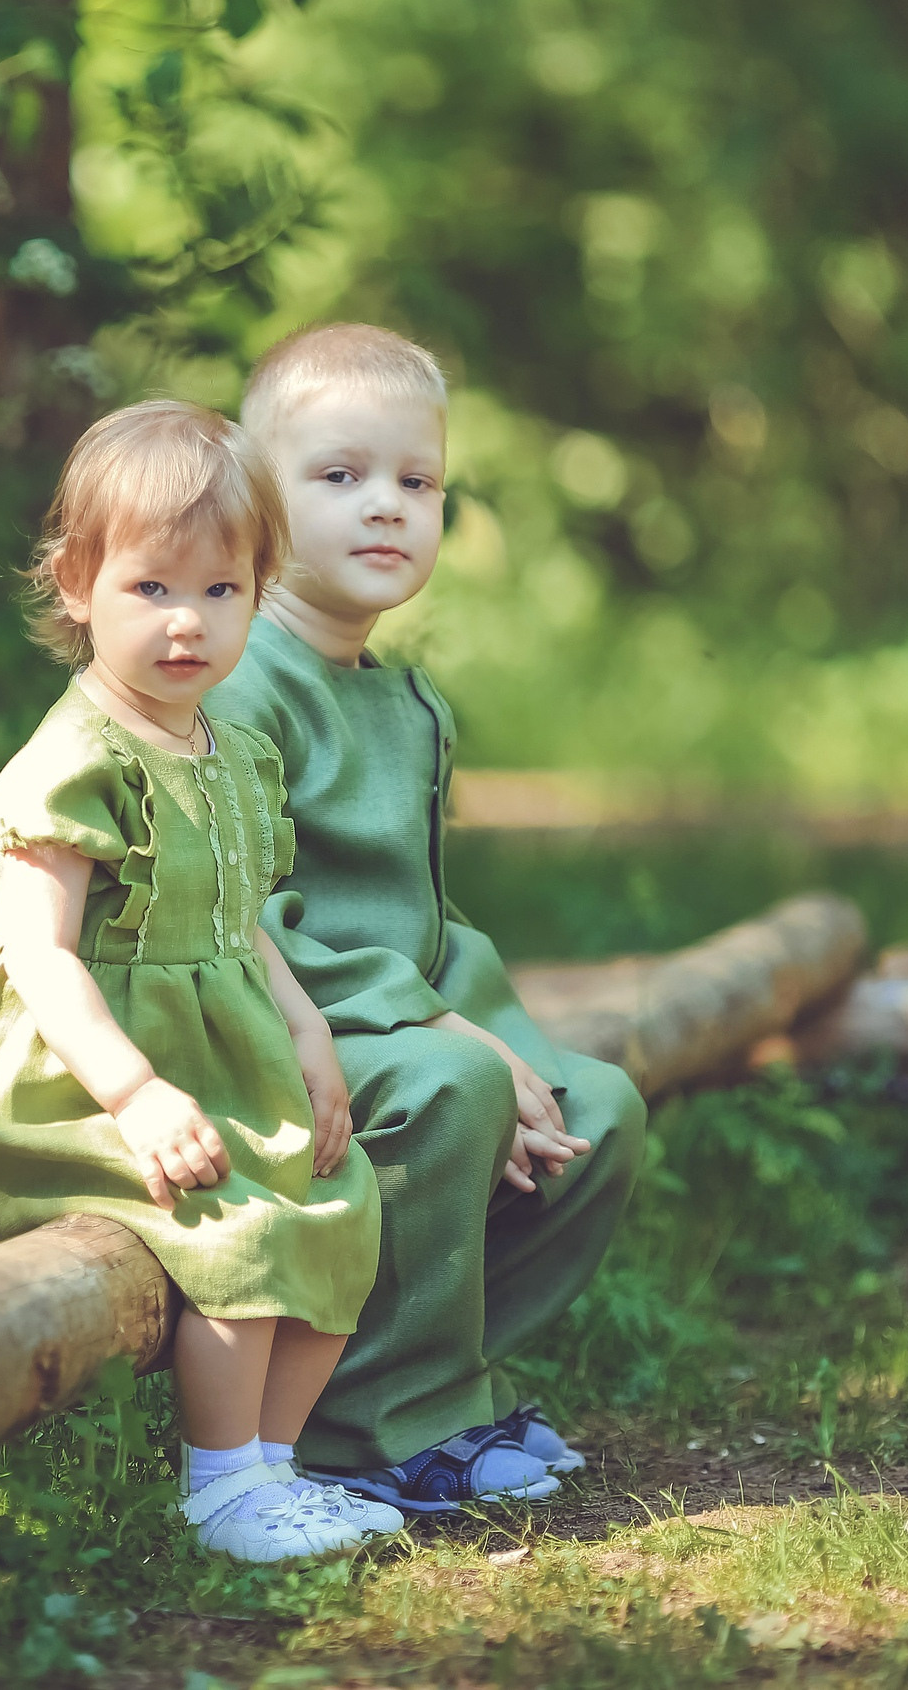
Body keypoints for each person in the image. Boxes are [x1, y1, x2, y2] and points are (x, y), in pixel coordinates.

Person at [0, 399, 401, 1561]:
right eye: (151, 589)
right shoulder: (76, 758)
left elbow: (244, 923)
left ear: (258, 593)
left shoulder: (231, 748)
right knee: (235, 1227)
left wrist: (304, 1031)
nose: (187, 624)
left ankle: (274, 1468)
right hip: (79, 1071)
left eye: (221, 592)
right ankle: (218, 1487)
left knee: (337, 1210)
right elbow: (37, 952)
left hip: (215, 1047)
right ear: (77, 585)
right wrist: (135, 1095)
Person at [201, 323, 649, 1515]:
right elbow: (248, 919)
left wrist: (505, 1046)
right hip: (270, 1024)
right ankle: (370, 1430)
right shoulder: (237, 687)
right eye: (338, 477)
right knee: (455, 1094)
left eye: (417, 482)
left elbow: (430, 921)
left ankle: (431, 1386)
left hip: (403, 1029)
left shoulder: (405, 702)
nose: (385, 507)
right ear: (257, 497)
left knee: (597, 1112)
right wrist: (460, 1050)